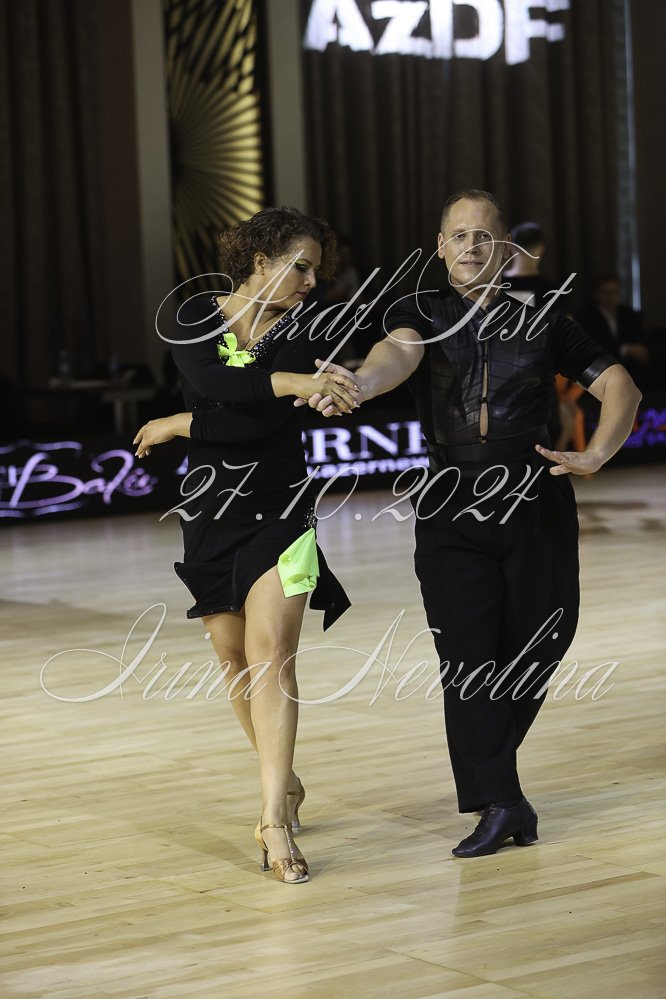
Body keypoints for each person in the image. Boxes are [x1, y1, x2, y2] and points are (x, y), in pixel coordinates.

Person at [303, 190, 641, 858]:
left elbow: (620, 387)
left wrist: (598, 454)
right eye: (458, 235)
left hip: (534, 495)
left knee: (542, 641)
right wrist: (360, 383)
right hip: (451, 500)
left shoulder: (545, 318)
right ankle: (501, 799)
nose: (470, 246)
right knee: (467, 656)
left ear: (505, 248)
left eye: (483, 235)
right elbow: (396, 355)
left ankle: (497, 784)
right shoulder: (419, 311)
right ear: (439, 247)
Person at [133, 207, 358, 884]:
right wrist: (285, 386)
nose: (311, 281)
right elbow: (220, 386)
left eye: (316, 270)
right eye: (301, 267)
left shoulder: (306, 326)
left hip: (281, 508)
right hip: (210, 511)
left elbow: (255, 421)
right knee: (234, 661)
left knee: (272, 655)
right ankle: (284, 780)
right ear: (262, 260)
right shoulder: (194, 315)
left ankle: (272, 820)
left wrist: (181, 423)